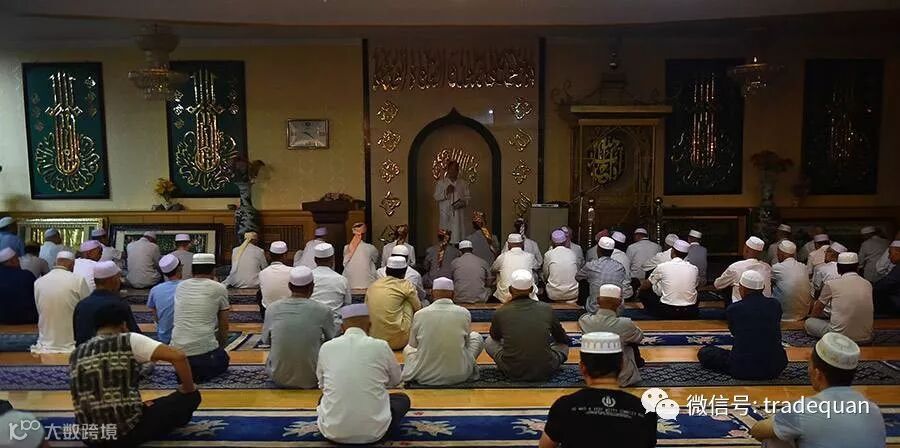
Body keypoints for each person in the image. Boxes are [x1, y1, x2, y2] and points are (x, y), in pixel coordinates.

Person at [70, 302, 201, 447]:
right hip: (124, 434)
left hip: (88, 436)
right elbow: (178, 356)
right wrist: (188, 388)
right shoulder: (127, 339)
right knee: (190, 397)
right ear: (123, 324)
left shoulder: (77, 352)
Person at [749, 332, 885, 448]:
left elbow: (758, 431)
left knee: (774, 439)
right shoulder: (874, 410)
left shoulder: (804, 409)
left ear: (818, 374)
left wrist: (778, 418)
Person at [539, 332, 657, 448]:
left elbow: (546, 446)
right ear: (622, 365)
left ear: (582, 367)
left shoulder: (565, 406)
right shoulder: (644, 411)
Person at [316, 304, 410, 445]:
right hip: (375, 434)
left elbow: (322, 384)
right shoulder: (381, 346)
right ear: (370, 326)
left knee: (324, 398)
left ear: (342, 327)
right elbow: (396, 380)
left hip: (332, 432)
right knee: (402, 399)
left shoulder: (327, 347)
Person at [698, 271, 788, 380]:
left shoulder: (734, 309)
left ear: (742, 289)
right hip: (775, 367)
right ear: (763, 288)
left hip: (743, 367)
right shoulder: (775, 305)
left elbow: (735, 332)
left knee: (705, 352)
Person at [486, 269, 570, 381]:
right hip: (545, 369)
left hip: (511, 370)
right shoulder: (546, 308)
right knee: (563, 346)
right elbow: (561, 338)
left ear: (510, 290)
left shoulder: (501, 311)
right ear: (531, 290)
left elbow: (495, 337)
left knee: (489, 342)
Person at [262, 266, 336, 389]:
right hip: (313, 377)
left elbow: (266, 340)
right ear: (312, 287)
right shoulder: (323, 310)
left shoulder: (272, 309)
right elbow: (331, 341)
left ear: (289, 286)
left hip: (278, 376)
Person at [402, 277, 483, 385]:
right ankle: (463, 366)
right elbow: (467, 344)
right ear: (453, 294)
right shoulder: (464, 313)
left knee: (408, 349)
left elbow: (413, 345)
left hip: (424, 375)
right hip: (460, 375)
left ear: (432, 293)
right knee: (476, 337)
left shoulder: (420, 314)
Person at [171, 253, 231, 381]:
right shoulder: (219, 288)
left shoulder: (180, 286)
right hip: (203, 359)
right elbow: (224, 324)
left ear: (192, 270)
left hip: (177, 358)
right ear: (213, 270)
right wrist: (221, 348)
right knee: (223, 359)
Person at [579, 285, 644, 386]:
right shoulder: (625, 324)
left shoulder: (584, 321)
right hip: (621, 377)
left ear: (598, 301)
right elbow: (639, 337)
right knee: (630, 342)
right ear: (619, 302)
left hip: (591, 374)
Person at [805, 252, 873, 343]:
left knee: (809, 322)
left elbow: (817, 310)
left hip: (838, 337)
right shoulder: (867, 284)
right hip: (866, 337)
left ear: (838, 269)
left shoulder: (831, 284)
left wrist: (811, 318)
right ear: (857, 268)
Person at [31, 251, 90, 353]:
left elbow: (39, 310)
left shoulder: (39, 282)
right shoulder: (78, 280)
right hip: (72, 341)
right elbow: (87, 309)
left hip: (46, 340)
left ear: (55, 263)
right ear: (72, 265)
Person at [73, 261, 141, 345]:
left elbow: (77, 336)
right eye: (118, 278)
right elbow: (136, 336)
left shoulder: (81, 305)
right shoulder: (118, 305)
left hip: (83, 352)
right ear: (113, 280)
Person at [365, 256, 422, 349]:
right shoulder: (406, 285)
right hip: (399, 341)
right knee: (408, 301)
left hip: (375, 338)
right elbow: (418, 308)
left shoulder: (373, 286)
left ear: (386, 271)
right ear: (404, 273)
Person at [642, 240, 699, 319]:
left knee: (645, 290)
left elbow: (646, 285)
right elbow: (696, 286)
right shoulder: (694, 269)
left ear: (672, 251)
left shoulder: (663, 266)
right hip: (690, 310)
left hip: (668, 311)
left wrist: (639, 290)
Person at [577, 237, 633, 313]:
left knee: (583, 282)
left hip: (594, 309)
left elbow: (578, 277)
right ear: (612, 251)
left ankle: (583, 308)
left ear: (598, 250)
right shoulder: (620, 267)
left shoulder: (591, 265)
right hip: (617, 310)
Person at [713, 236, 772, 304]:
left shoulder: (735, 267)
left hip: (741, 307)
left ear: (746, 250)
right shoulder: (767, 267)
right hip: (766, 306)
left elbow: (718, 285)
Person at [310, 243, 352, 331]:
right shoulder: (342, 280)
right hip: (335, 328)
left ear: (315, 260)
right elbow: (347, 305)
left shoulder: (309, 278)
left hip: (311, 327)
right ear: (332, 260)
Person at [492, 233, 539, 302]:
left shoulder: (502, 257)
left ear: (508, 244)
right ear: (522, 244)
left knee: (499, 273)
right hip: (527, 293)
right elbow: (537, 266)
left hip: (505, 295)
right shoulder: (530, 256)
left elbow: (493, 269)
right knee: (532, 272)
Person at [770, 240, 811, 321]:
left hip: (783, 315)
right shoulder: (803, 267)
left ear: (781, 254)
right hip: (803, 313)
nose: (777, 255)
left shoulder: (777, 267)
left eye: (778, 253)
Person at [147, 254, 182, 344]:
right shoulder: (188, 286)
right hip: (184, 337)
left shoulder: (155, 290)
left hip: (164, 337)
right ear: (179, 269)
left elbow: (154, 313)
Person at [433, 160, 471, 243]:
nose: (453, 171)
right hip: (446, 216)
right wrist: (446, 192)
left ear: (458, 170)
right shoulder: (441, 183)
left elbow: (467, 198)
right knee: (446, 240)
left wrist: (463, 203)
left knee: (459, 239)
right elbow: (436, 197)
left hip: (459, 217)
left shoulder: (463, 183)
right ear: (448, 170)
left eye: (455, 169)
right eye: (451, 169)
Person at [0, 247, 37, 325]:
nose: (19, 262)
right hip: (27, 319)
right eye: (17, 259)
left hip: (2, 320)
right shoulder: (26, 275)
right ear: (12, 261)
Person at [258, 241, 293, 320]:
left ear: (269, 255)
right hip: (289, 312)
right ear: (285, 255)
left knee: (259, 293)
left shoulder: (262, 273)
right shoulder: (292, 271)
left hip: (269, 313)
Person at [451, 239, 493, 303]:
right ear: (472, 250)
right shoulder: (482, 262)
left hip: (459, 299)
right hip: (480, 300)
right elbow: (489, 283)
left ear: (460, 252)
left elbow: (450, 281)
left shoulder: (454, 262)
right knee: (490, 289)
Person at [543, 230, 579, 302]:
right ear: (565, 241)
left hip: (554, 294)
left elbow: (546, 275)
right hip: (573, 294)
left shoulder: (548, 254)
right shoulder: (573, 253)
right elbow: (577, 273)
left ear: (552, 242)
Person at [342, 222, 380, 291]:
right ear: (364, 235)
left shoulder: (346, 248)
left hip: (349, 287)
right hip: (367, 287)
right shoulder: (370, 248)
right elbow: (376, 261)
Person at [873, 240, 900, 314]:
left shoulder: (898, 269)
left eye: (890, 253)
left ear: (898, 252)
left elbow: (881, 285)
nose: (888, 257)